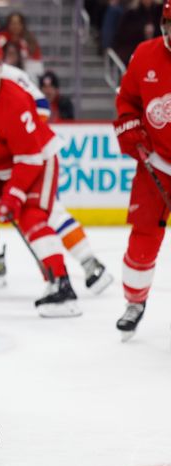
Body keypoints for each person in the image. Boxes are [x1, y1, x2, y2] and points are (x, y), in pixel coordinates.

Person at [0, 28, 111, 295]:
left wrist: (18, 136)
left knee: (45, 212)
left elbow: (40, 109)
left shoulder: (12, 79)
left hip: (30, 155)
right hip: (2, 162)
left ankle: (89, 263)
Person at [0, 38, 82, 318]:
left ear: (0, 67)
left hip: (37, 161)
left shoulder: (16, 101)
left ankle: (61, 285)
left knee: (32, 218)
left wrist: (13, 195)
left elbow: (30, 158)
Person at [113, 0, 171, 340]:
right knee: (143, 238)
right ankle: (135, 302)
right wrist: (129, 128)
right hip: (156, 163)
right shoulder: (145, 54)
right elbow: (127, 101)